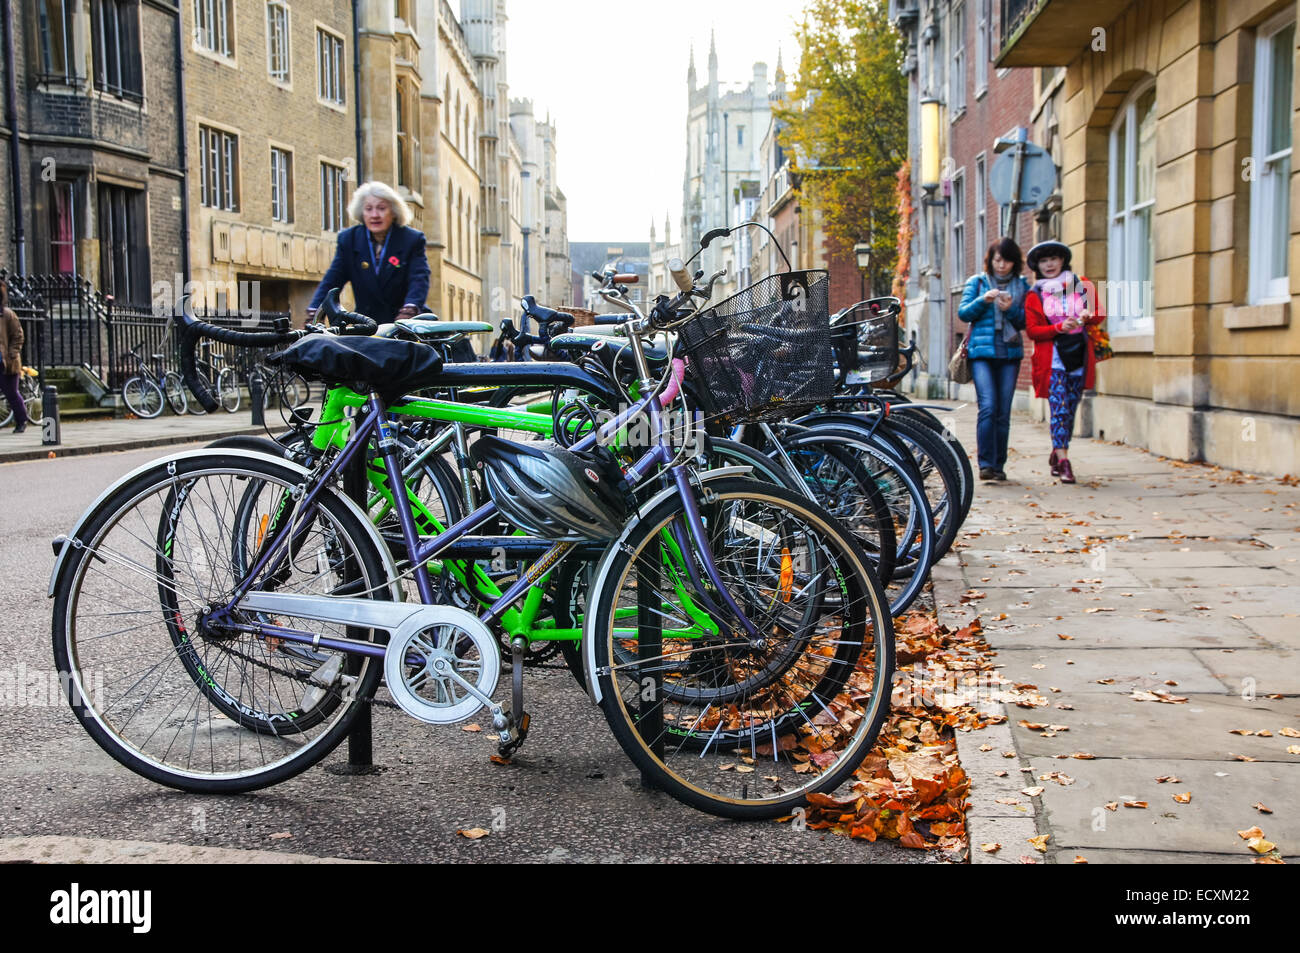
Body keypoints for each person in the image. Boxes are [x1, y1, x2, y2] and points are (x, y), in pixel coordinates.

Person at [307, 181, 475, 364]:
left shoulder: (411, 239)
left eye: (381, 208)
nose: (375, 215)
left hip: (405, 323)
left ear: (393, 212)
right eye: (368, 209)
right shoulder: (349, 240)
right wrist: (314, 312)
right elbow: (333, 279)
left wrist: (409, 308)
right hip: (369, 323)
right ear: (361, 213)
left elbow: (419, 278)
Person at [1024, 240, 1104, 484]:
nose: (1049, 265)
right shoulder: (1035, 294)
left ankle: (1057, 452)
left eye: (1053, 259)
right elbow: (1033, 331)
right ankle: (1065, 461)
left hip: (1079, 356)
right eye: (1043, 261)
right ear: (1037, 266)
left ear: (1063, 261)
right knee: (1058, 409)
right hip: (1054, 360)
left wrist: (1085, 317)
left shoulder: (1083, 283)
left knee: (1070, 410)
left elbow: (1100, 313)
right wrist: (1059, 327)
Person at [957, 237, 1030, 481]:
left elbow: (1026, 322)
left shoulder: (1021, 286)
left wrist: (1011, 309)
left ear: (1014, 263)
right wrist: (983, 300)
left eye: (1007, 261)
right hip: (981, 354)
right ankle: (986, 464)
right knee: (988, 407)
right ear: (991, 260)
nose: (1002, 266)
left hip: (1009, 353)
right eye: (998, 260)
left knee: (1002, 411)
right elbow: (964, 313)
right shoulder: (977, 282)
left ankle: (998, 466)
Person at [1, 279, 29, 435]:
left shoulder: (7, 315)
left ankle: (21, 420)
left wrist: (12, 354)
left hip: (7, 362)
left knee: (11, 393)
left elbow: (18, 336)